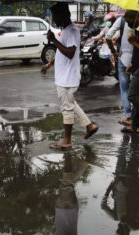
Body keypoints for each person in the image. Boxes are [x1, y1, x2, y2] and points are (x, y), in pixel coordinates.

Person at [40, 3, 99, 150]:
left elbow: (70, 52)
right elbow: (62, 52)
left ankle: (67, 140)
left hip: (67, 78)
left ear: (62, 15)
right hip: (64, 76)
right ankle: (89, 126)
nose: (53, 19)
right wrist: (49, 64)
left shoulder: (72, 30)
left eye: (54, 16)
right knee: (71, 104)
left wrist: (53, 40)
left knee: (67, 108)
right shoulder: (66, 30)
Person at [106, 13, 139, 126]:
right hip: (138, 60)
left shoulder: (121, 20)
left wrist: (114, 52)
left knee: (124, 89)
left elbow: (108, 36)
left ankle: (129, 116)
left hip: (123, 59)